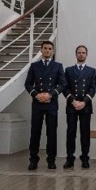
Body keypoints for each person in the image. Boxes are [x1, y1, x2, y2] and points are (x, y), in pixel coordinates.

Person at [24, 40, 66, 170]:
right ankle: (33, 160)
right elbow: (28, 84)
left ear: (52, 51)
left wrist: (50, 94)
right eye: (45, 48)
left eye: (49, 49)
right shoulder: (34, 66)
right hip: (37, 104)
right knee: (35, 132)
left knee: (51, 133)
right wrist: (37, 95)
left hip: (51, 104)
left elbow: (62, 84)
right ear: (41, 50)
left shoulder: (58, 66)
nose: (47, 50)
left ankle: (51, 160)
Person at [62, 45, 96, 169]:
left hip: (85, 106)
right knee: (71, 133)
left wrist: (84, 102)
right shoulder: (69, 70)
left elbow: (93, 89)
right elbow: (65, 88)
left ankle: (85, 158)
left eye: (83, 52)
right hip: (72, 106)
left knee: (85, 133)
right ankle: (70, 158)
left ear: (87, 55)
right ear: (76, 55)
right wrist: (73, 101)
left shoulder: (92, 71)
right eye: (79, 52)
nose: (81, 54)